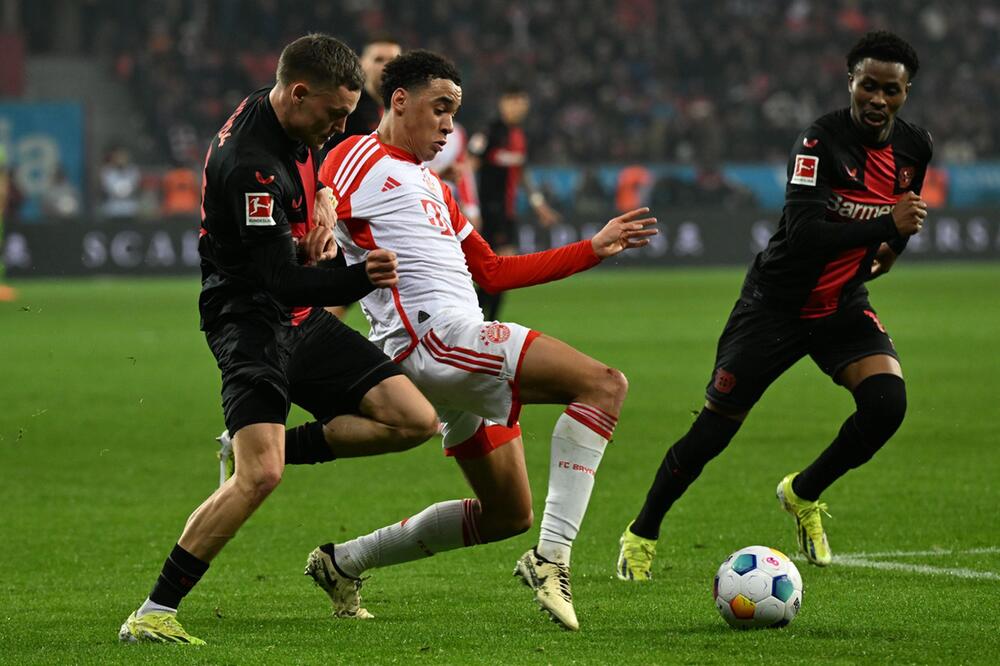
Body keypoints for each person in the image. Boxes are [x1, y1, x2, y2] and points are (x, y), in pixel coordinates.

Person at [302, 50, 656, 632]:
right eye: (440, 110)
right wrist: (315, 224)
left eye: (453, 113)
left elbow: (491, 272)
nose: (448, 125)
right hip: (437, 343)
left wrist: (590, 249)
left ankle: (344, 563)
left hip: (453, 349)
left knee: (506, 514)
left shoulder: (436, 189)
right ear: (399, 101)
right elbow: (314, 194)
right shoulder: (356, 154)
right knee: (604, 386)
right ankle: (553, 559)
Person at [118, 34, 439, 646]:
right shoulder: (248, 164)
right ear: (298, 93)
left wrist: (320, 202)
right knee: (259, 478)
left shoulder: (284, 115)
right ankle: (153, 613)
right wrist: (356, 274)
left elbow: (309, 174)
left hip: (294, 315)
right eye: (334, 115)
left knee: (414, 420)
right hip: (250, 321)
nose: (342, 125)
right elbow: (279, 281)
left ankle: (253, 447)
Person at [616, 30, 931, 581]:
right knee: (713, 431)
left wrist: (892, 249)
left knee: (887, 405)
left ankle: (802, 492)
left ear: (906, 93)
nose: (878, 100)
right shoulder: (819, 142)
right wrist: (887, 227)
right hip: (774, 306)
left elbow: (905, 211)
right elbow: (806, 231)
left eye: (892, 91)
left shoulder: (913, 147)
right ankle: (641, 531)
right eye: (868, 86)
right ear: (850, 83)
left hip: (840, 304)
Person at [323, 35, 402, 320]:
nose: (386, 66)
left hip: (377, 214)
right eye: (379, 59)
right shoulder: (350, 107)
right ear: (362, 64)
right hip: (343, 214)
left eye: (393, 60)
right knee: (340, 293)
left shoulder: (395, 110)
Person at [468, 85, 561, 321]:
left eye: (522, 101)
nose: (518, 106)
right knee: (499, 272)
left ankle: (480, 323)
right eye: (513, 101)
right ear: (503, 102)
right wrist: (470, 208)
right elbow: (468, 167)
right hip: (488, 213)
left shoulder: (518, 136)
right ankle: (480, 323)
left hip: (507, 213)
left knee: (498, 274)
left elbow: (520, 173)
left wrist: (538, 204)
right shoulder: (490, 132)